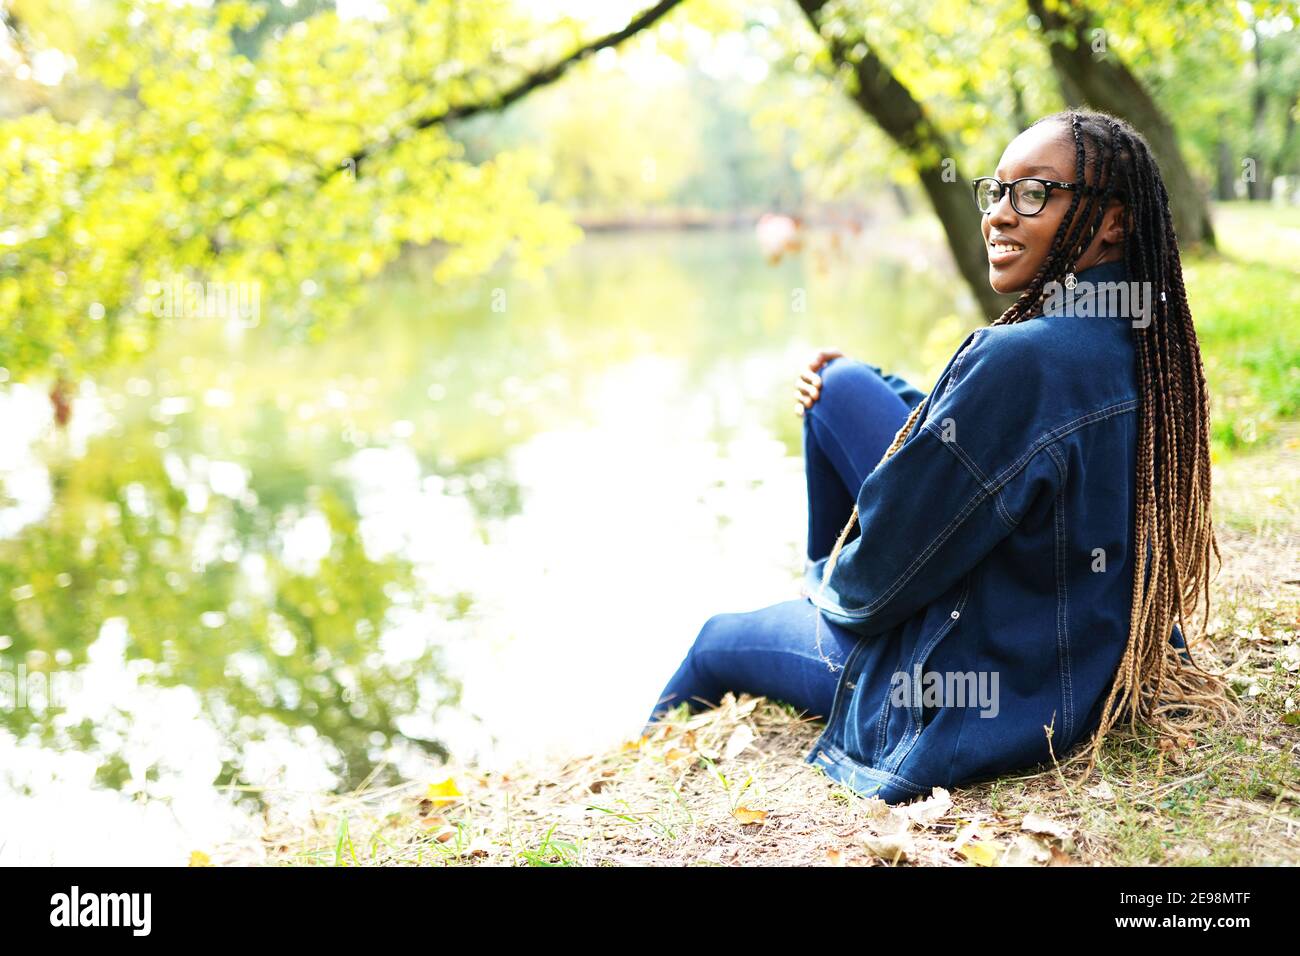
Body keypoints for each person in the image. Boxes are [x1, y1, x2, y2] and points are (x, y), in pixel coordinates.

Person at [641, 108, 1239, 804]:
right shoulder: (1150, 342)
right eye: (996, 190)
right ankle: (821, 574)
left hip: (977, 686)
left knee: (716, 639)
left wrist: (833, 588)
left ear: (1113, 222)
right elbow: (1004, 443)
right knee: (838, 386)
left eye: (1035, 193)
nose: (1000, 216)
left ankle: (648, 756)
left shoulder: (1022, 360)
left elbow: (884, 575)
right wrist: (884, 389)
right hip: (1088, 645)